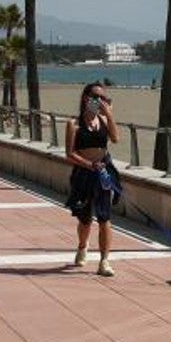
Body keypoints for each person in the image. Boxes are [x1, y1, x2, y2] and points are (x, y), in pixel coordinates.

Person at [64, 82, 122, 277]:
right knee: (85, 218)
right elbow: (70, 154)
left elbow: (115, 139)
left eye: (103, 98)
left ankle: (104, 261)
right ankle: (82, 246)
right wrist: (89, 165)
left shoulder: (104, 120)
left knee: (105, 217)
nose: (100, 101)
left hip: (103, 172)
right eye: (96, 97)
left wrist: (110, 115)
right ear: (86, 98)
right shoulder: (74, 124)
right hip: (84, 173)